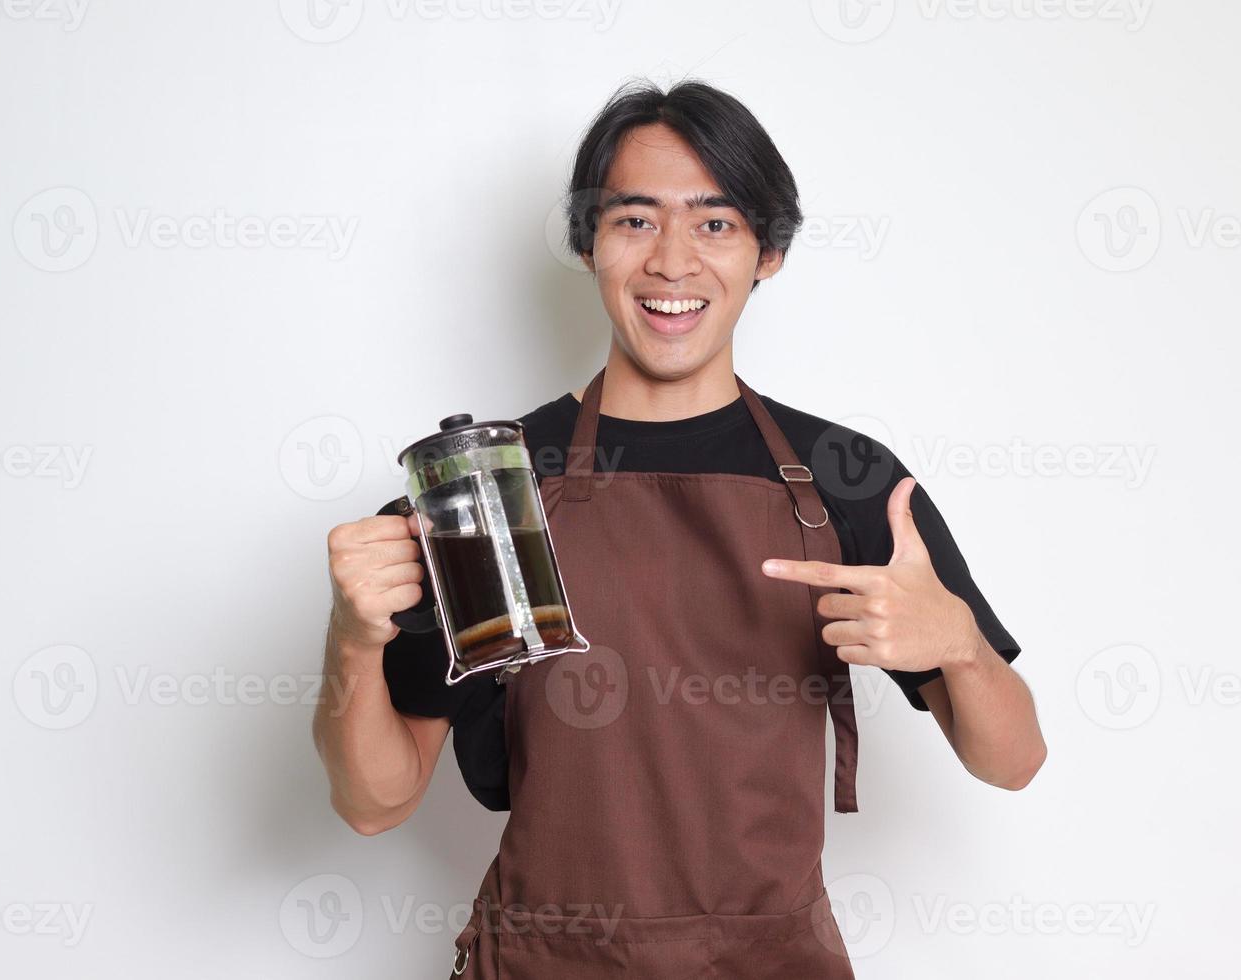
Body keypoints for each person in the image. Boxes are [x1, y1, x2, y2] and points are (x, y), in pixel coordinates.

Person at [312, 78, 1046, 978]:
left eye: (715, 223)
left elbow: (1013, 761)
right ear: (589, 243)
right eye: (634, 220)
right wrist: (352, 641)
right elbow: (374, 802)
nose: (672, 263)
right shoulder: (484, 493)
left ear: (767, 251)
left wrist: (961, 646)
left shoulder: (849, 482)